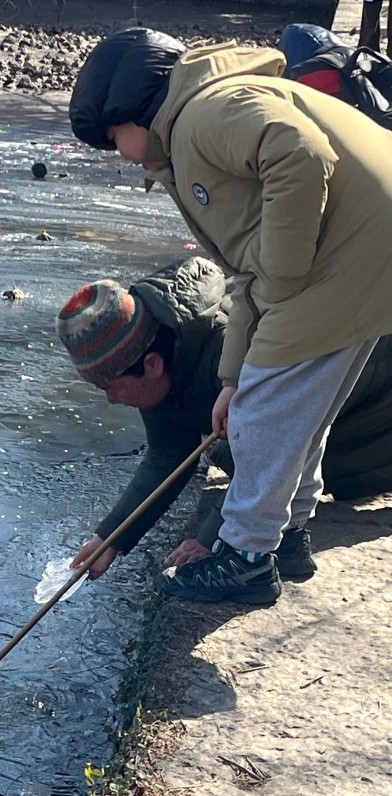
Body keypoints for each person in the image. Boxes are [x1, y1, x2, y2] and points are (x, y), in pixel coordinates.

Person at [67, 28, 392, 604]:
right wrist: (232, 379)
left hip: (346, 253)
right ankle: (287, 535)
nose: (118, 153)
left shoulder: (204, 112)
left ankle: (244, 557)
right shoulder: (194, 129)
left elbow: (301, 152)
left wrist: (284, 277)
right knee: (286, 410)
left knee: (266, 414)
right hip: (369, 251)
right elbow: (244, 276)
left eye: (114, 137)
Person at [57, 256, 392, 582]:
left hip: (369, 380)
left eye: (110, 387)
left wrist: (212, 538)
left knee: (292, 461)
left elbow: (271, 452)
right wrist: (110, 539)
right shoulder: (152, 349)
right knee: (228, 449)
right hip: (312, 399)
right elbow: (165, 460)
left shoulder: (225, 356)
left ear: (152, 365)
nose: (110, 400)